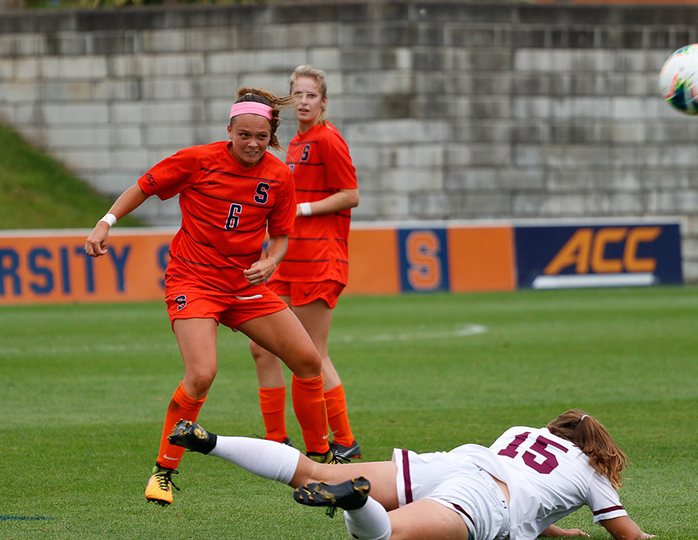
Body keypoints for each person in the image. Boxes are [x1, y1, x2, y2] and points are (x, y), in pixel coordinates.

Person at [85, 88, 340, 508]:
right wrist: (105, 222)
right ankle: (163, 472)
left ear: (271, 134)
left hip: (244, 285)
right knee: (202, 374)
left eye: (260, 136)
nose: (252, 143)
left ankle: (321, 461)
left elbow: (280, 238)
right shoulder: (197, 160)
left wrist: (271, 263)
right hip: (193, 282)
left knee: (309, 360)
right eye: (244, 135)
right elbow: (144, 187)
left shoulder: (278, 176)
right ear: (230, 131)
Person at [165, 410, 656, 540]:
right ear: (598, 449)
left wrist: (548, 528)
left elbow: (531, 485)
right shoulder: (594, 473)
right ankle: (356, 502)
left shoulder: (521, 432)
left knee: (313, 469)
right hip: (485, 497)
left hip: (455, 464)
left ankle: (212, 443)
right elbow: (628, 535)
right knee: (387, 536)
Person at [249, 65, 361, 460]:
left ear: (324, 101)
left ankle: (344, 442)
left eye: (311, 95)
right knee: (261, 348)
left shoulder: (329, 140)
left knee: (312, 351)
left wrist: (304, 208)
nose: (303, 101)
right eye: (297, 94)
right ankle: (276, 440)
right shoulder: (293, 143)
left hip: (319, 258)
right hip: (286, 259)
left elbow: (350, 194)